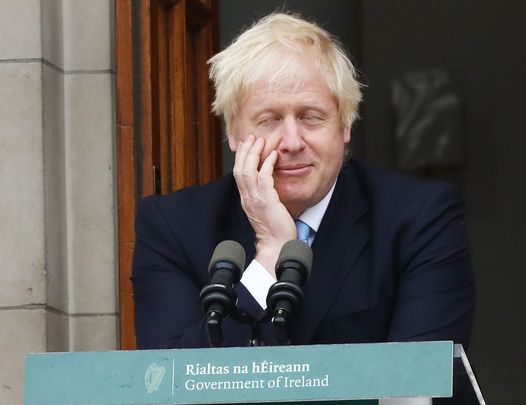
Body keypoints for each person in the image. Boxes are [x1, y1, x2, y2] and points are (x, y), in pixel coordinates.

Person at [132, 12, 475, 349]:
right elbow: (173, 380)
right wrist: (270, 252)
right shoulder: (173, 226)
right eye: (269, 119)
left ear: (345, 126)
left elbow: (419, 382)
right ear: (233, 132)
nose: (293, 142)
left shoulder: (420, 217)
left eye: (311, 117)